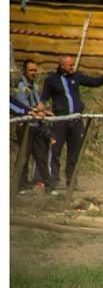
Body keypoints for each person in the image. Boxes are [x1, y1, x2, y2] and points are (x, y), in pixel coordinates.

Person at [37, 56, 103, 189]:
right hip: (60, 121)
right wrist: (42, 108)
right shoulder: (51, 80)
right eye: (70, 65)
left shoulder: (76, 76)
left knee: (74, 153)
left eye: (73, 65)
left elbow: (93, 82)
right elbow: (44, 98)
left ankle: (71, 182)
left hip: (76, 121)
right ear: (62, 66)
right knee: (55, 152)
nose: (73, 67)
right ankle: (54, 181)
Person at [14, 60, 57, 194]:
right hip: (26, 126)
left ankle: (49, 186)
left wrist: (44, 111)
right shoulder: (20, 86)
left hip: (37, 124)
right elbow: (23, 105)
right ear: (25, 71)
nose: (34, 73)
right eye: (31, 70)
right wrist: (36, 111)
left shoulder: (35, 86)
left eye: (35, 70)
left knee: (41, 156)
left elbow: (38, 104)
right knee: (24, 157)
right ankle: (20, 185)